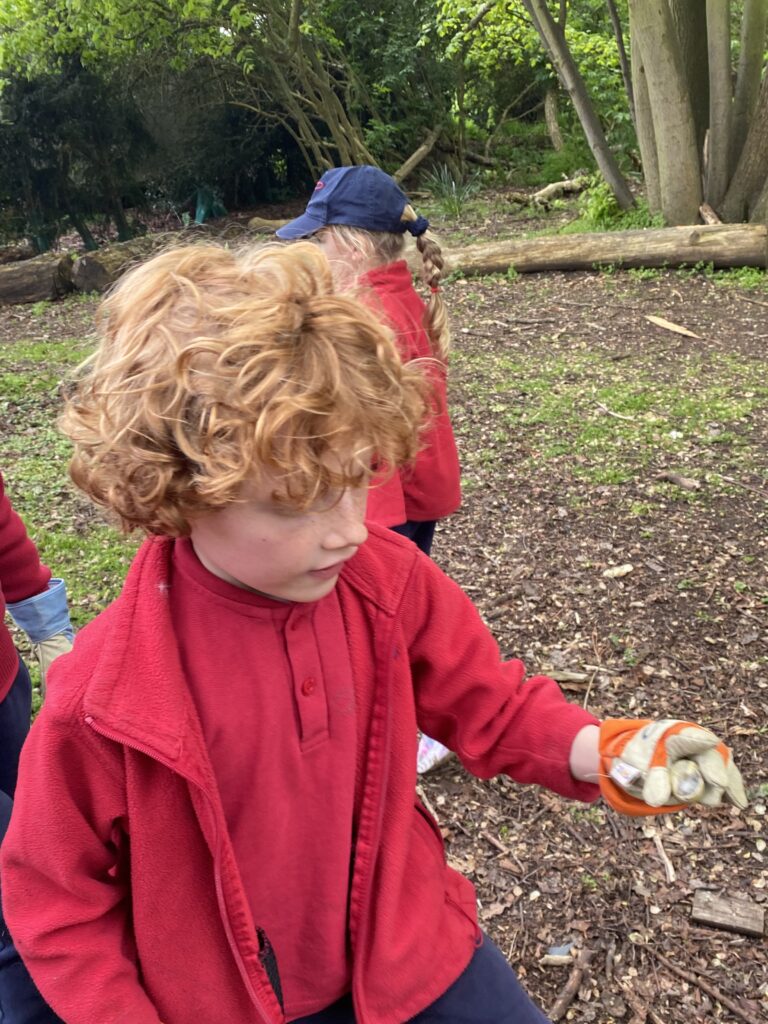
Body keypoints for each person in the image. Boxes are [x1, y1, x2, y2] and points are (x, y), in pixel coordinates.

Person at [1, 242, 747, 1024]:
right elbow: (54, 896)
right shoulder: (108, 692)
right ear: (179, 487)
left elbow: (494, 707)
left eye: (358, 480)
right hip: (229, 1000)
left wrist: (617, 755)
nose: (349, 531)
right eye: (298, 504)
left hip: (409, 946)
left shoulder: (386, 583)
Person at [276, 164, 461, 773]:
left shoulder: (367, 316)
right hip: (410, 493)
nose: (311, 251)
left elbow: (355, 424)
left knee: (379, 619)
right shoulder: (393, 292)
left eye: (318, 239)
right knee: (399, 606)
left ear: (349, 244)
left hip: (385, 504)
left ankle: (412, 726)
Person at [0, 469, 73, 1024]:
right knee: (13, 901)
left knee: (38, 826)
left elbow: (4, 536)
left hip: (1, 689)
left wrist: (50, 633)